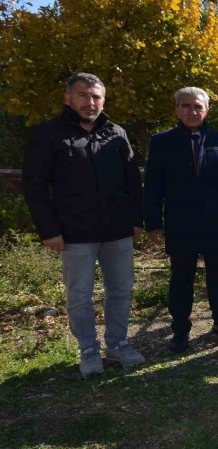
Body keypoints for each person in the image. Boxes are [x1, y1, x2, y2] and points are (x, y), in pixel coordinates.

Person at [23, 73, 145, 377]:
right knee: (79, 295)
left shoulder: (117, 133)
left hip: (117, 230)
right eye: (83, 95)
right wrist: (49, 230)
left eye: (96, 97)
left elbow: (132, 180)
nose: (90, 102)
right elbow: (35, 186)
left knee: (121, 290)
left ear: (103, 100)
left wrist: (137, 220)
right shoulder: (48, 134)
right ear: (68, 99)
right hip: (75, 232)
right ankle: (89, 350)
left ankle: (117, 343)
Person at [144, 87, 218, 354]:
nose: (192, 111)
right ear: (177, 109)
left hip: (216, 222)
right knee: (182, 277)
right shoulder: (161, 142)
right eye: (186, 106)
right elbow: (153, 186)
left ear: (207, 109)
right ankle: (181, 330)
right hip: (180, 222)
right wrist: (153, 223)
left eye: (198, 106)